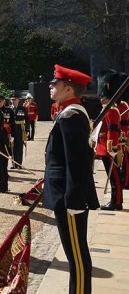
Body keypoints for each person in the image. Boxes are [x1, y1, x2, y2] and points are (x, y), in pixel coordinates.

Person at [44, 64, 99, 294]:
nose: (50, 86)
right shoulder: (69, 112)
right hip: (65, 193)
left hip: (70, 198)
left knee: (77, 256)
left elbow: (76, 162)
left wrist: (75, 200)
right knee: (74, 255)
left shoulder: (71, 115)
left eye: (55, 83)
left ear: (68, 89)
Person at [95, 70, 123, 210]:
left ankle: (116, 202)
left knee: (115, 178)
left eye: (103, 95)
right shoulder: (107, 109)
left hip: (108, 148)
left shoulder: (111, 110)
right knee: (112, 177)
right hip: (103, 147)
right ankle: (115, 201)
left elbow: (113, 130)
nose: (100, 97)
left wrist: (111, 148)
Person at [10, 93, 28, 168]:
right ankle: (13, 163)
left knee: (19, 146)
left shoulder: (23, 109)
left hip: (20, 129)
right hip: (11, 130)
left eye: (15, 99)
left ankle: (19, 164)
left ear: (18, 100)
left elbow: (27, 119)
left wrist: (27, 130)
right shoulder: (8, 109)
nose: (13, 101)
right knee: (12, 147)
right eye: (12, 99)